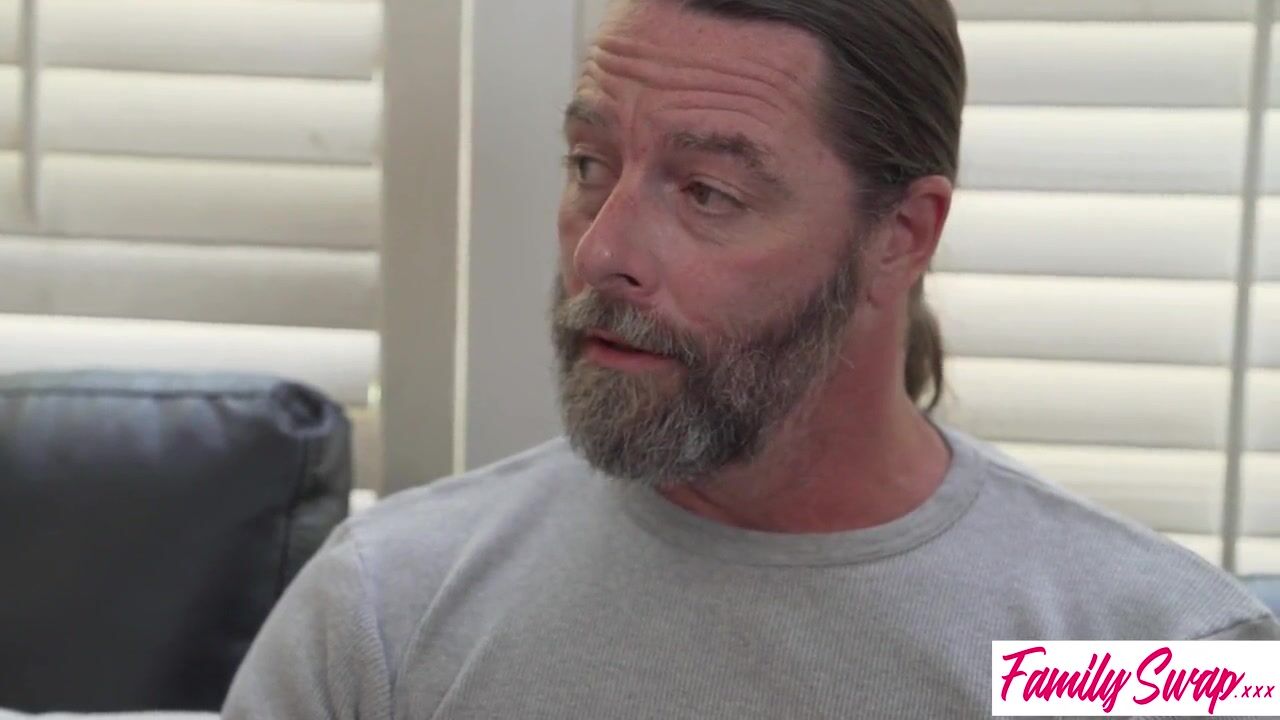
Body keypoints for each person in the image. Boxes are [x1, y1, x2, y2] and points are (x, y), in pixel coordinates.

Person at [222, 0, 1280, 717]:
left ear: (899, 236)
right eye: (589, 164)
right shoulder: (382, 616)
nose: (601, 251)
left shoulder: (1151, 655)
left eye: (708, 193)